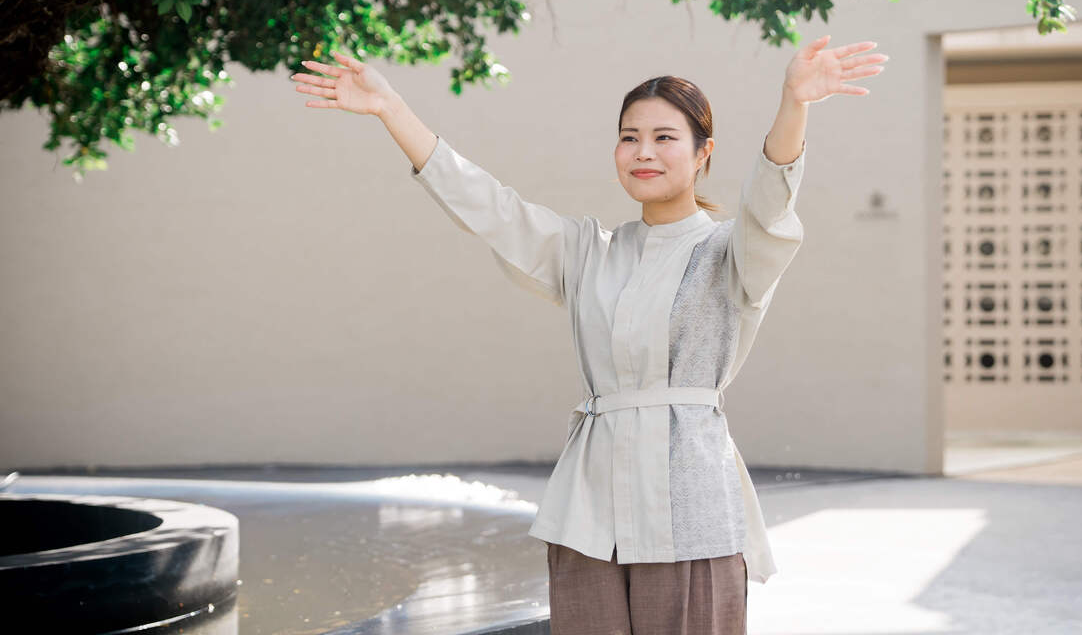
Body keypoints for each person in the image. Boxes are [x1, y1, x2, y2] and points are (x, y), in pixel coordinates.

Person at [291, 34, 888, 634]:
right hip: (587, 515)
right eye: (629, 137)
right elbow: (489, 207)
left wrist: (794, 104)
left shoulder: (732, 251)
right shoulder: (587, 251)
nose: (642, 152)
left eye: (664, 138)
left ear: (704, 152)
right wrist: (392, 109)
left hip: (691, 511)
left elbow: (769, 206)